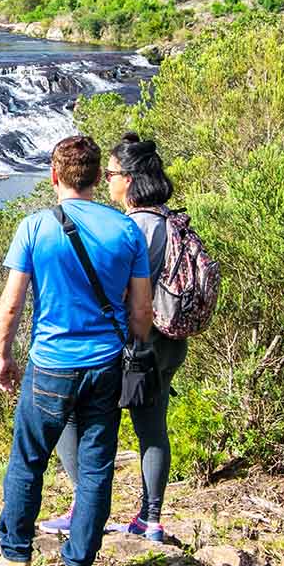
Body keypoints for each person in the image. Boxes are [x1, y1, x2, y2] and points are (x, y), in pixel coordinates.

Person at [0, 135, 154, 566]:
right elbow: (141, 310)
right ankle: (79, 565)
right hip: (105, 365)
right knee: (97, 464)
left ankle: (16, 558)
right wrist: (136, 352)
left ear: (54, 175)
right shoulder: (126, 231)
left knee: (28, 460)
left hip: (50, 363)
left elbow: (12, 305)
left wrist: (5, 356)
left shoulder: (35, 227)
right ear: (100, 178)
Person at [39, 133, 183, 543]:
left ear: (131, 179)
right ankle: (150, 519)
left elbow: (127, 294)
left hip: (135, 342)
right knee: (151, 428)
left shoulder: (133, 225)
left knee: (71, 414)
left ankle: (85, 506)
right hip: (169, 340)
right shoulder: (169, 219)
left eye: (113, 173)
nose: (106, 180)